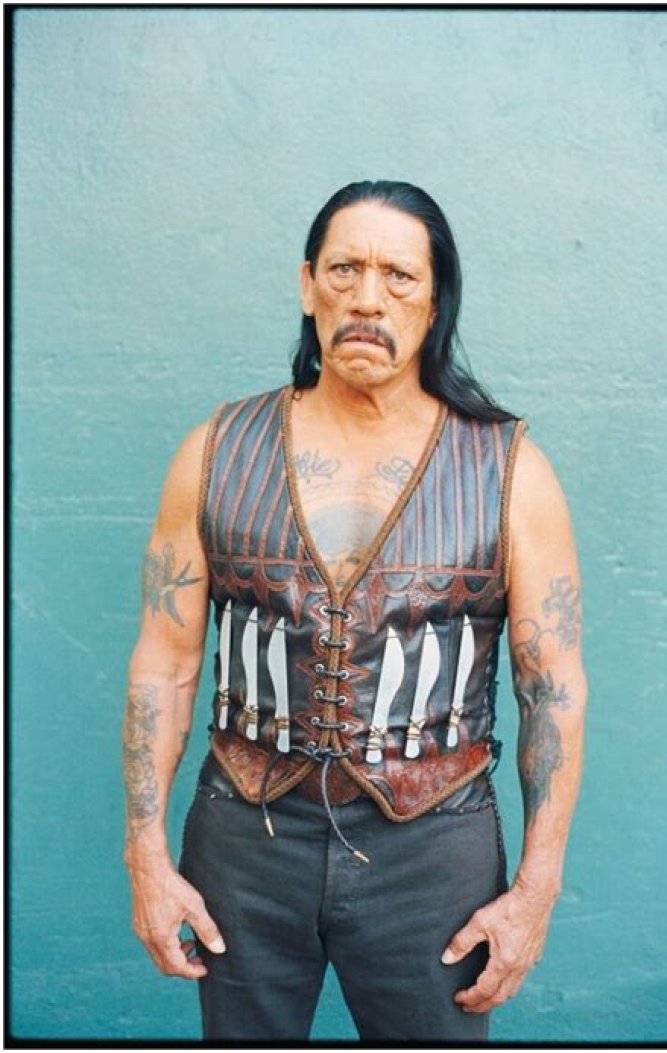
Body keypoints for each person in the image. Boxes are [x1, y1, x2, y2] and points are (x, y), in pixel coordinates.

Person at [122, 179, 588, 1042]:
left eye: (398, 276)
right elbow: (166, 661)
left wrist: (537, 886)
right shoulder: (215, 451)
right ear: (309, 286)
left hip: (435, 850)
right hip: (245, 839)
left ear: (435, 302)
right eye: (345, 270)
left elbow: (552, 687)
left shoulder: (512, 472)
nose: (368, 298)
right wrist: (144, 852)